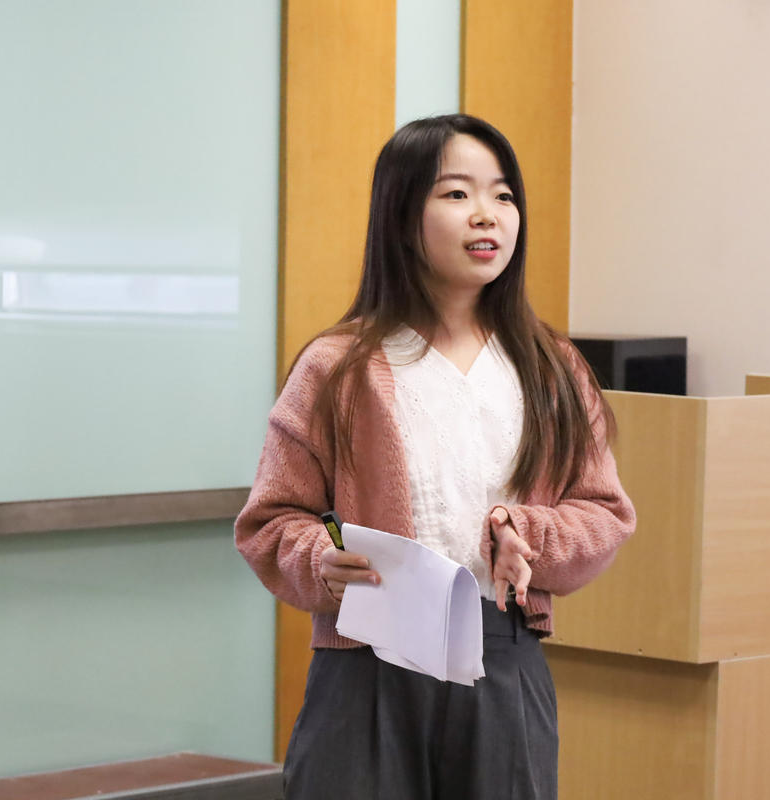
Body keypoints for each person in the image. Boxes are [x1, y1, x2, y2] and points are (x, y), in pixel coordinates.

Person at [235, 114, 637, 800]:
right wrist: (320, 561)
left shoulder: (551, 367)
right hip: (366, 668)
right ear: (400, 216)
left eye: (504, 195)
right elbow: (270, 521)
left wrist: (528, 536)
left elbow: (604, 512)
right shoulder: (337, 367)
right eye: (456, 193)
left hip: (503, 660)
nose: (487, 214)